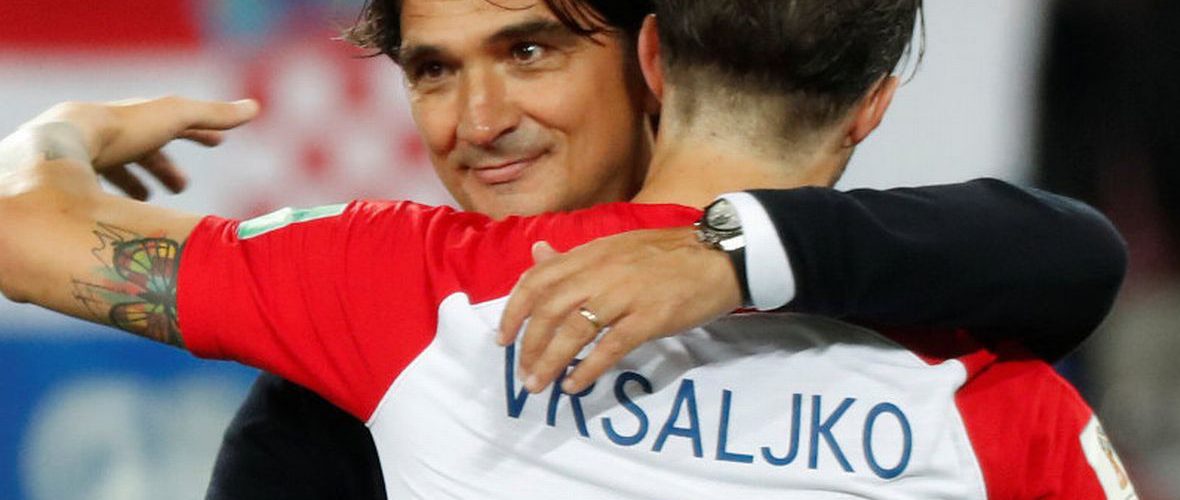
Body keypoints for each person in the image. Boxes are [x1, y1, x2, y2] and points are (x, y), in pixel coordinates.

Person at [0, 0, 1134, 497]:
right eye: (433, 71)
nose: (480, 120)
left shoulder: (407, 302)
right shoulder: (348, 365)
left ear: (648, 54)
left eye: (530, 50)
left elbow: (1069, 252)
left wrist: (730, 252)